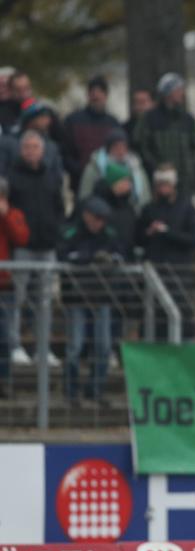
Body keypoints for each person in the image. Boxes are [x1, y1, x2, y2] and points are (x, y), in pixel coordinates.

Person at [7, 131, 64, 367]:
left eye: (35, 147)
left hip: (47, 246)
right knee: (15, 299)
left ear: (43, 150)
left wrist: (55, 233)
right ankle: (14, 345)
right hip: (22, 248)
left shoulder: (52, 176)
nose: (31, 151)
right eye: (27, 147)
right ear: (21, 150)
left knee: (44, 300)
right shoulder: (11, 177)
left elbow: (59, 208)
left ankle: (43, 348)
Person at [58, 197, 122, 407]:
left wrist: (110, 259)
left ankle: (95, 389)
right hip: (77, 298)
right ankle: (71, 391)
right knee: (74, 346)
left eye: (102, 220)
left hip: (102, 296)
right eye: (96, 219)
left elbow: (122, 255)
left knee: (103, 347)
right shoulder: (72, 233)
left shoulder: (109, 235)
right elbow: (64, 256)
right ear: (86, 216)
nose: (99, 224)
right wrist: (90, 257)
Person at [136, 164, 195, 340]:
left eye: (166, 184)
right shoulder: (149, 209)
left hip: (179, 269)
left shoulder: (186, 208)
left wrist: (168, 232)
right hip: (156, 267)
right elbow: (137, 238)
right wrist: (149, 233)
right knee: (154, 313)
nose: (163, 188)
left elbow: (194, 237)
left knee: (180, 310)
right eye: (160, 184)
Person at [133, 73, 195, 201]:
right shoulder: (149, 118)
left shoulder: (188, 119)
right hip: (157, 183)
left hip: (184, 183)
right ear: (168, 93)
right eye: (178, 90)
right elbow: (142, 146)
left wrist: (189, 166)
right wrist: (157, 168)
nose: (182, 93)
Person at [62, 75, 121, 193]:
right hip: (80, 182)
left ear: (106, 96)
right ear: (88, 95)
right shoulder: (73, 121)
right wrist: (81, 171)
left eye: (99, 93)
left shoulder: (113, 123)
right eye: (93, 94)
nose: (96, 97)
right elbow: (65, 153)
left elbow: (119, 152)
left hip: (109, 183)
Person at [0, 175, 29, 390]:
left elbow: (21, 238)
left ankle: (4, 381)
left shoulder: (14, 214)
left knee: (4, 337)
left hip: (4, 285)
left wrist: (6, 216)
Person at [78, 129, 150, 208]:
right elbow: (85, 196)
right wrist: (110, 191)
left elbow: (145, 196)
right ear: (108, 148)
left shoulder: (136, 167)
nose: (121, 151)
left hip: (130, 213)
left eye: (123, 147)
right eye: (116, 147)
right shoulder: (94, 167)